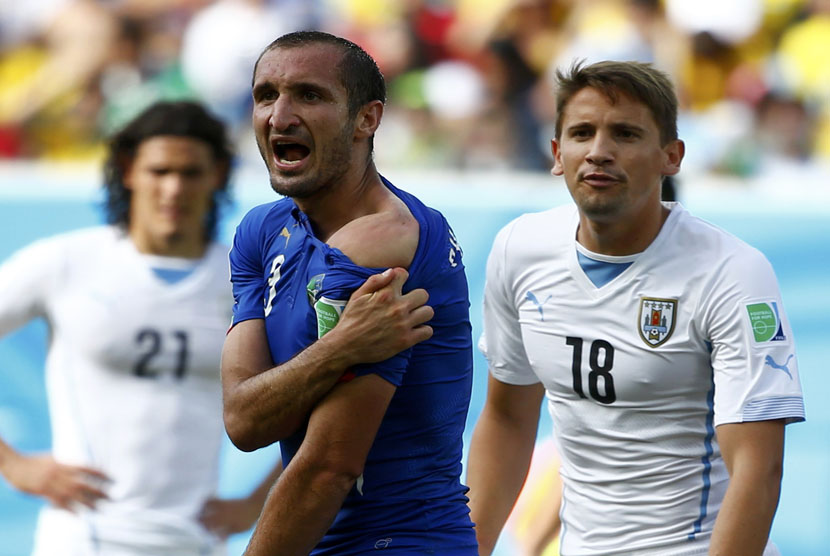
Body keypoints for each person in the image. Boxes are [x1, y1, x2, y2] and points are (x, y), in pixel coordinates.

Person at [467, 60, 805, 556]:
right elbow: (508, 419)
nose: (599, 152)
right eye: (582, 133)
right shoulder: (520, 248)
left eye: (625, 134)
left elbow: (758, 470)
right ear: (558, 154)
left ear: (672, 156)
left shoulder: (732, 273)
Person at [220, 30, 477, 556]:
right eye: (266, 95)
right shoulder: (262, 231)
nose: (280, 116)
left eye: (310, 96)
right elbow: (245, 420)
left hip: (400, 544)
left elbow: (328, 468)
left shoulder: (382, 242)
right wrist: (340, 347)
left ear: (368, 119)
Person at [0, 100, 282, 556]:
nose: (174, 188)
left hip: (195, 543)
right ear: (129, 171)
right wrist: (14, 466)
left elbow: (322, 397)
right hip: (81, 540)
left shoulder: (246, 282)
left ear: (218, 175)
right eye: (160, 170)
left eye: (190, 173)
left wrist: (256, 503)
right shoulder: (65, 263)